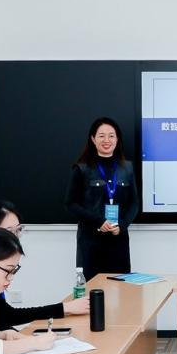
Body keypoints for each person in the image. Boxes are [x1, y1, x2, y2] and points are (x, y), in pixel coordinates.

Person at [0, 199, 88, 332]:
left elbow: (0, 317)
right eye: (9, 231)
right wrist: (65, 308)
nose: (16, 238)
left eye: (18, 230)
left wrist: (65, 308)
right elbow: (3, 318)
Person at [65, 116, 138, 281]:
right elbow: (70, 203)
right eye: (101, 136)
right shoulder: (82, 168)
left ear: (117, 139)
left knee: (121, 288)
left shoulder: (127, 168)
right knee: (93, 289)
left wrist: (122, 225)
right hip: (91, 243)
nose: (107, 140)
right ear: (93, 139)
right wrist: (98, 221)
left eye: (111, 136)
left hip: (118, 241)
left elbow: (134, 202)